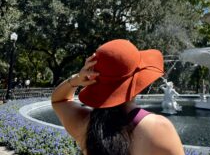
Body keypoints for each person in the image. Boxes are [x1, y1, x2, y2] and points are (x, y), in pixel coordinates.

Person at [51, 39, 184, 155]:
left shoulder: (85, 125)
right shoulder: (158, 128)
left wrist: (76, 80)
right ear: (137, 79)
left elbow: (59, 100)